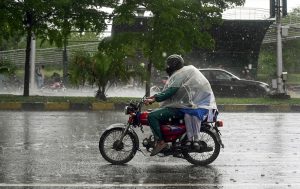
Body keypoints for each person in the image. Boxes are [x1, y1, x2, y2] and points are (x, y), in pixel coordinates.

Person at [144, 54, 218, 156]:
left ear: (173, 65)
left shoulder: (180, 74)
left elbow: (171, 91)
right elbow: (170, 91)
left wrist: (156, 98)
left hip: (179, 108)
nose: (167, 67)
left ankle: (161, 142)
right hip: (182, 105)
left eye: (169, 65)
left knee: (152, 116)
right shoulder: (183, 73)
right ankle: (169, 139)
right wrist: (155, 97)